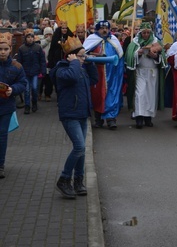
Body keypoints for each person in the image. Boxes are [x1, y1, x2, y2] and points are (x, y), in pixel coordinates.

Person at [50, 36, 98, 199]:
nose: (83, 58)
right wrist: (75, 63)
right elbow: (71, 76)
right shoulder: (62, 69)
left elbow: (94, 80)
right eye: (81, 56)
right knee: (79, 147)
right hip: (69, 114)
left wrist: (89, 63)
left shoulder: (81, 68)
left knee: (82, 150)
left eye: (85, 55)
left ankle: (78, 181)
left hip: (82, 113)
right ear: (71, 56)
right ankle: (64, 180)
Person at [83, 20, 124, 129]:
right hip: (97, 74)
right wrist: (94, 55)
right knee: (97, 96)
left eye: (106, 28)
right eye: (102, 28)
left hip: (112, 74)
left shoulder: (114, 40)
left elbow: (120, 56)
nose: (104, 30)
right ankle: (98, 119)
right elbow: (83, 54)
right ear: (97, 29)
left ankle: (111, 119)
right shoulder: (91, 40)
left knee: (111, 94)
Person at [125, 23, 166, 129]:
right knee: (140, 94)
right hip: (140, 72)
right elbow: (129, 55)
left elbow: (163, 57)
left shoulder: (156, 42)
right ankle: (139, 118)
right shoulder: (135, 42)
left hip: (152, 73)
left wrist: (155, 56)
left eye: (148, 32)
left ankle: (148, 118)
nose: (146, 34)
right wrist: (137, 54)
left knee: (150, 96)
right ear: (140, 33)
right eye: (144, 32)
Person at [0, 32, 26, 178]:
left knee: (2, 136)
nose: (2, 52)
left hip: (6, 107)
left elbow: (23, 83)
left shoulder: (17, 66)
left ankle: (0, 165)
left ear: (10, 49)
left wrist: (13, 89)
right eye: (0, 49)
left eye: (5, 49)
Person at [17, 29, 46, 114]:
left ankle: (34, 103)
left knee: (34, 88)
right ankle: (27, 106)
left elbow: (42, 60)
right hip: (25, 72)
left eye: (31, 37)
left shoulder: (38, 47)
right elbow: (19, 61)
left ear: (33, 38)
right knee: (26, 90)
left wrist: (43, 70)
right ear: (25, 38)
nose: (30, 39)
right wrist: (19, 72)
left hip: (35, 72)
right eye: (28, 37)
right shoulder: (22, 48)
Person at [38, 26, 54, 102]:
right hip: (42, 64)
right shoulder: (41, 40)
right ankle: (39, 93)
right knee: (41, 82)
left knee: (49, 81)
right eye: (47, 34)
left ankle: (48, 94)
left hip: (49, 63)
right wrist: (47, 40)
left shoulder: (53, 42)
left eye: (50, 34)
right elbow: (40, 46)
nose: (48, 36)